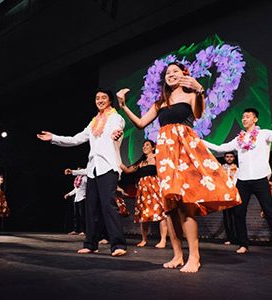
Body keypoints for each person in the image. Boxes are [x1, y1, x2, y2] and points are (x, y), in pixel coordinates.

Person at [116, 62, 241, 272]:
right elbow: (140, 123)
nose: (170, 75)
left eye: (175, 71)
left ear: (184, 74)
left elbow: (199, 114)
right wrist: (123, 106)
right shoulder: (160, 102)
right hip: (166, 155)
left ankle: (195, 256)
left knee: (187, 204)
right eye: (167, 73)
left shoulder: (192, 95)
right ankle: (177, 256)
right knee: (170, 207)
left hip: (185, 152)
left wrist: (199, 89)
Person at [37, 88, 127, 257]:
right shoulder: (93, 122)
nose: (99, 100)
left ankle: (118, 245)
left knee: (108, 205)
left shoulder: (115, 117)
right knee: (91, 208)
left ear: (110, 101)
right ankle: (91, 243)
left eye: (103, 98)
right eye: (97, 98)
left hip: (108, 167)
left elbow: (118, 128)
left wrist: (117, 133)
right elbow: (76, 139)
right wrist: (54, 138)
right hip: (93, 170)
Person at [203, 108, 272, 254]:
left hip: (260, 178)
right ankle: (243, 244)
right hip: (243, 180)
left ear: (255, 119)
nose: (244, 119)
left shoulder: (264, 134)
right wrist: (201, 142)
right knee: (239, 213)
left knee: (269, 211)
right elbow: (220, 148)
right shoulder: (238, 139)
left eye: (247, 116)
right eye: (243, 117)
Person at [121, 139, 168, 248]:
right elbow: (127, 171)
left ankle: (163, 240)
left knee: (161, 214)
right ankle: (144, 239)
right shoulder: (141, 162)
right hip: (143, 191)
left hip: (155, 188)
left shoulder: (157, 157)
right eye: (143, 145)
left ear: (153, 147)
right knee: (143, 215)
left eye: (147, 145)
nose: (144, 147)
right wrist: (116, 160)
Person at [221, 152, 238, 245]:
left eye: (231, 157)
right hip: (225, 194)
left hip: (235, 193)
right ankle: (230, 238)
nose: (229, 158)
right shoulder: (220, 168)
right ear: (224, 158)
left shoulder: (238, 168)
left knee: (237, 216)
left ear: (234, 158)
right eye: (227, 157)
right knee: (227, 217)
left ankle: (238, 237)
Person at [64, 167, 87, 236]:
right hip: (77, 198)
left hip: (83, 198)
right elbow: (76, 189)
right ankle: (76, 230)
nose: (78, 171)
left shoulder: (85, 178)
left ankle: (84, 230)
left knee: (83, 215)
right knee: (76, 215)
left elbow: (89, 187)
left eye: (79, 170)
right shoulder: (77, 179)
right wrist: (68, 194)